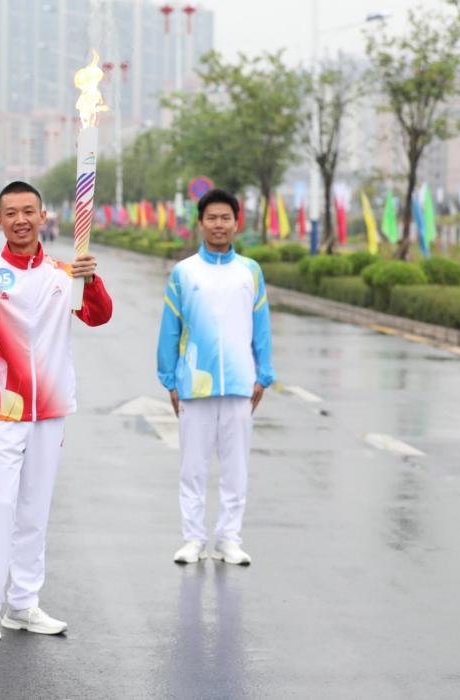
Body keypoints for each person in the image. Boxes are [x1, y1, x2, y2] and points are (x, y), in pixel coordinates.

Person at [0, 181, 113, 640]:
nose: (20, 220)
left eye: (29, 211)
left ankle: (23, 603)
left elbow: (98, 314)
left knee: (34, 508)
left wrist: (91, 280)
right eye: (11, 212)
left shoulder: (66, 273)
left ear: (43, 217)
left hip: (49, 407)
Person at [157, 189, 274, 568]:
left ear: (236, 222)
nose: (219, 224)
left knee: (235, 466)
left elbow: (262, 328)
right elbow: (169, 330)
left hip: (241, 382)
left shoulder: (250, 271)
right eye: (212, 218)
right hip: (195, 383)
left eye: (226, 218)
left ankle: (229, 539)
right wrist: (170, 378)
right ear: (201, 223)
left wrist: (264, 373)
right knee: (193, 466)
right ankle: (193, 538)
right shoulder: (184, 271)